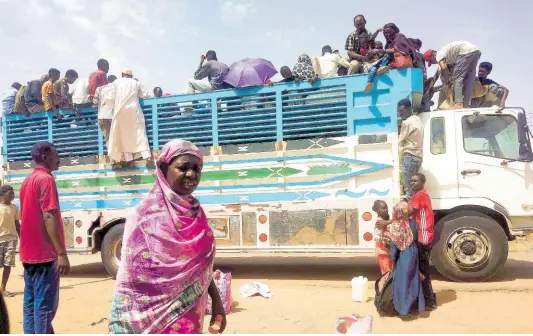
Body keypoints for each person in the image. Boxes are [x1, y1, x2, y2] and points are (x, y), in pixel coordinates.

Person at [108, 139, 227, 334]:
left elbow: (200, 267)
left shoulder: (196, 214)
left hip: (189, 316)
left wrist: (216, 300)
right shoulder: (144, 216)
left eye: (197, 169)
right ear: (163, 169)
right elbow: (131, 281)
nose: (191, 174)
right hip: (149, 319)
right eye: (183, 168)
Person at [19, 142, 70, 334]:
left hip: (29, 255)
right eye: (56, 155)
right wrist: (61, 253)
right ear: (45, 157)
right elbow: (48, 216)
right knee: (45, 306)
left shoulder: (27, 181)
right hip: (44, 255)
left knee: (31, 303)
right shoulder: (46, 180)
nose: (58, 159)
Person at [108, 68, 152, 167]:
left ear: (122, 74)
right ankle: (147, 156)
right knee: (140, 133)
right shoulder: (136, 83)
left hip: (120, 112)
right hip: (134, 111)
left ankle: (129, 160)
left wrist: (112, 108)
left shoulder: (116, 82)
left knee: (124, 137)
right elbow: (146, 95)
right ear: (131, 76)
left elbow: (110, 99)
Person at [388, 200, 425, 317]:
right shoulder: (413, 223)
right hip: (413, 253)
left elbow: (394, 248)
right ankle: (416, 307)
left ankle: (403, 310)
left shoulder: (395, 226)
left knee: (403, 282)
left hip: (403, 256)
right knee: (414, 280)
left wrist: (393, 260)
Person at [424, 41, 481, 108]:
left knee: (457, 78)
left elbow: (443, 67)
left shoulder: (439, 54)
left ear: (433, 55)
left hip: (465, 52)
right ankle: (467, 104)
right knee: (469, 80)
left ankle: (458, 103)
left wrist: (447, 81)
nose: (433, 63)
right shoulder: (446, 53)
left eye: (431, 61)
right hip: (476, 51)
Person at [408, 173, 437, 311]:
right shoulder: (417, 195)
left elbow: (409, 211)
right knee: (420, 269)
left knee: (423, 270)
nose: (412, 182)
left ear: (422, 182)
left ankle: (429, 301)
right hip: (420, 236)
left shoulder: (420, 195)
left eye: (415, 180)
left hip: (423, 237)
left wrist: (391, 220)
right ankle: (426, 298)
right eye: (411, 181)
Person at [364, 23, 414, 94]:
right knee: (373, 67)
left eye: (390, 32)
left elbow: (396, 50)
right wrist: (378, 31)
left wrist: (379, 51)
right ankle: (370, 81)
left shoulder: (399, 37)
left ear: (395, 30)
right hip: (391, 65)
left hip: (400, 62)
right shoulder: (389, 43)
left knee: (386, 56)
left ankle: (381, 67)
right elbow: (369, 41)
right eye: (386, 33)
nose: (388, 34)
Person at [398, 99, 423, 201]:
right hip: (417, 157)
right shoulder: (418, 120)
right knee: (414, 189)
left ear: (409, 109)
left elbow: (400, 141)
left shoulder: (407, 123)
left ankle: (411, 215)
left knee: (409, 190)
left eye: (402, 110)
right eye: (399, 111)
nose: (400, 113)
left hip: (409, 157)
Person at [0, 185, 20, 298]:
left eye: (13, 193)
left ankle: (3, 289)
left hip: (11, 240)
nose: (12, 195)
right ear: (2, 195)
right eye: (10, 193)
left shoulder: (15, 208)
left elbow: (17, 225)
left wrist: (22, 238)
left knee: (8, 265)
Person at [94, 75, 118, 153]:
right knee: (117, 137)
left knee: (108, 138)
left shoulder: (99, 88)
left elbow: (95, 102)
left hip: (102, 116)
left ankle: (112, 158)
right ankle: (119, 159)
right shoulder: (117, 88)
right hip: (113, 116)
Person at [372, 200, 393, 274]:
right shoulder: (379, 222)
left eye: (386, 208)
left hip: (386, 252)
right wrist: (386, 240)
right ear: (377, 210)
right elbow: (376, 236)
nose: (386, 210)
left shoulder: (384, 220)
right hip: (382, 252)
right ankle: (385, 285)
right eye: (383, 208)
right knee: (386, 273)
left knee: (390, 271)